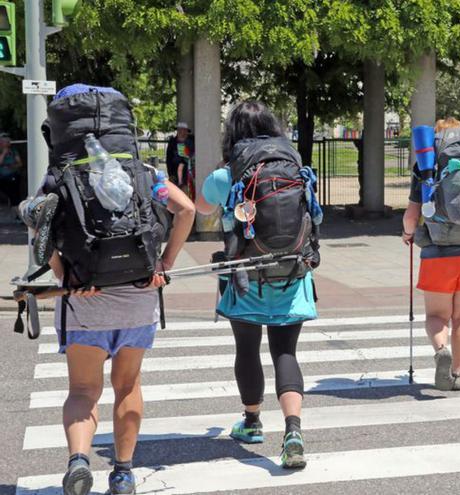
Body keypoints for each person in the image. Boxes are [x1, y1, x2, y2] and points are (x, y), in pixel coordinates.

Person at [35, 85, 195, 495]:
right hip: (138, 297)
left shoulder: (61, 176)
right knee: (128, 386)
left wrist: (62, 275)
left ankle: (78, 462)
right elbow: (187, 211)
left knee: (83, 391)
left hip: (83, 300)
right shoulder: (146, 174)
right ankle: (122, 473)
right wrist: (165, 263)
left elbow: (39, 227)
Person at [195, 100, 320, 470]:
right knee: (286, 352)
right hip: (292, 273)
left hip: (245, 278)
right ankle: (293, 432)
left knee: (247, 351)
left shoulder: (228, 174)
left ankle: (251, 423)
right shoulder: (295, 167)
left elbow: (201, 208)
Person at [402, 117, 460, 391]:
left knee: (437, 316)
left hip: (437, 252)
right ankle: (457, 371)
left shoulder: (426, 167)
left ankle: (441, 349)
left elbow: (411, 217)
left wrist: (408, 234)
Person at [165, 122, 194, 192]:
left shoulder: (192, 141)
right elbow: (168, 158)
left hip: (189, 172)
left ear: (187, 131)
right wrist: (170, 174)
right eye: (179, 130)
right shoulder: (172, 142)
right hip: (175, 172)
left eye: (183, 130)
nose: (181, 132)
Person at [0, 133, 23, 213]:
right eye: (5, 142)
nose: (7, 143)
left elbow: (19, 163)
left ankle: (18, 211)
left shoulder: (13, 151)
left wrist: (12, 166)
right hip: (2, 178)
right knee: (11, 195)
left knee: (15, 195)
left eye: (8, 141)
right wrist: (4, 153)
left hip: (13, 176)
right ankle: (16, 208)